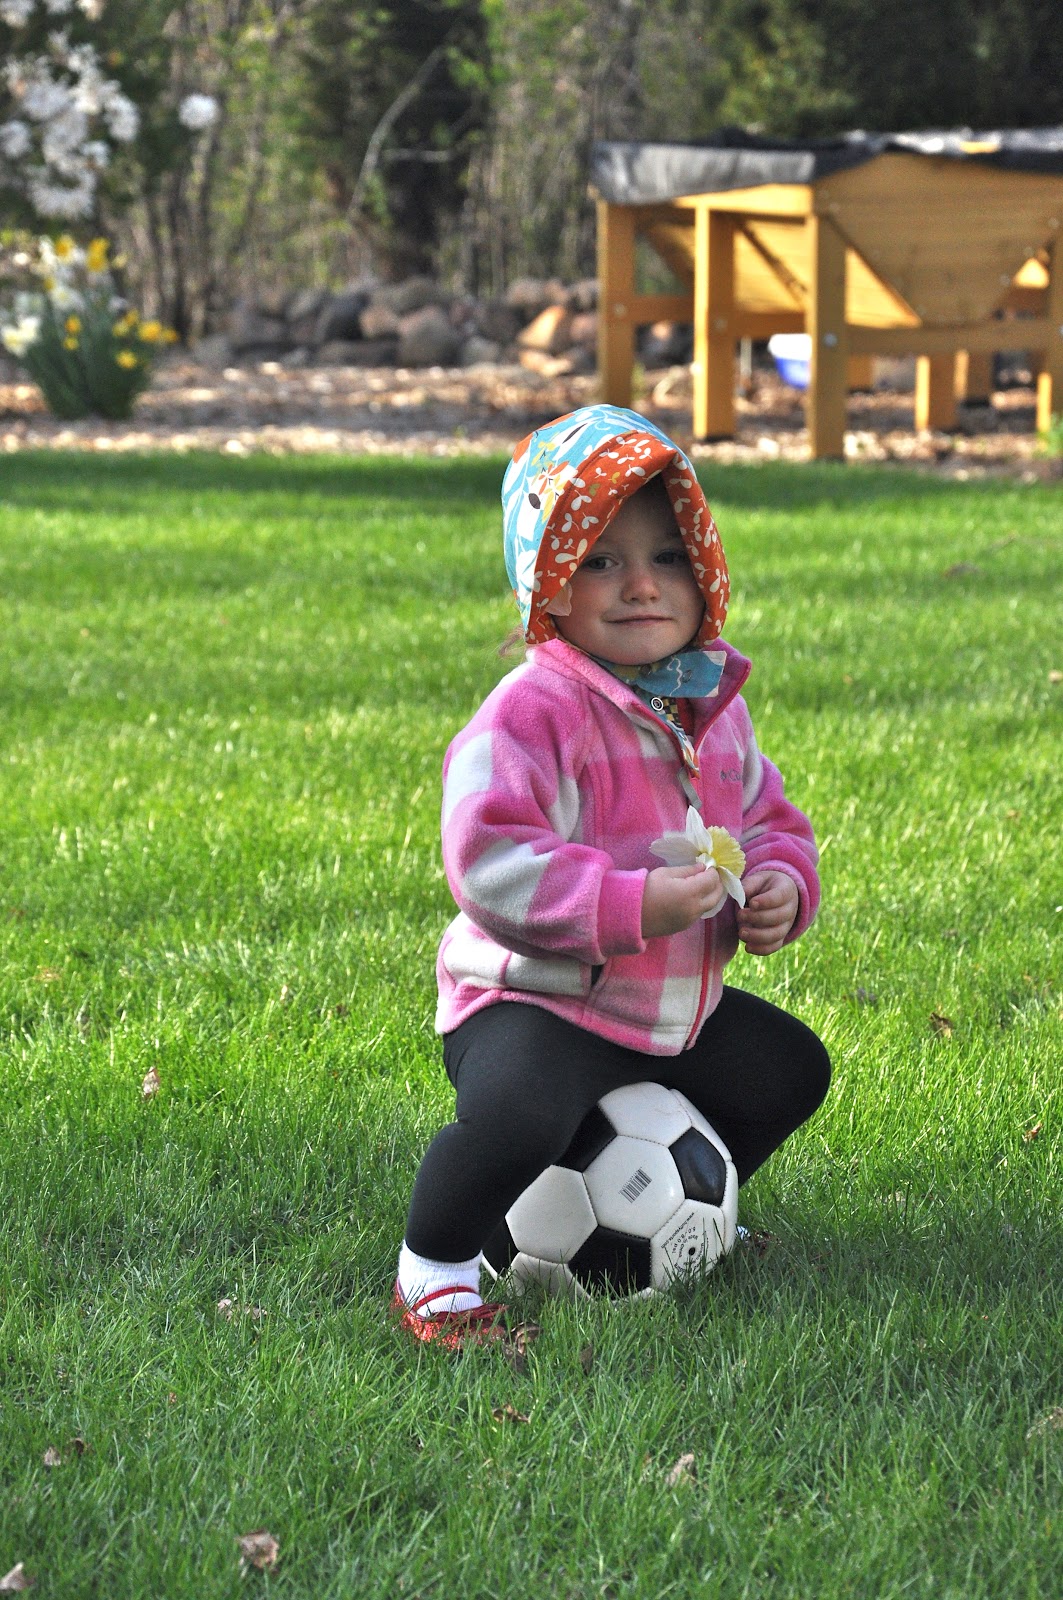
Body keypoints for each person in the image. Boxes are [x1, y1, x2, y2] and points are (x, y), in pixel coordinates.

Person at [393, 404, 830, 1347]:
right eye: (599, 561)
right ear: (546, 584)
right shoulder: (533, 710)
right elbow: (488, 858)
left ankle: (691, 1202)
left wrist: (780, 885)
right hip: (537, 1000)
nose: (640, 584)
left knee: (787, 1069)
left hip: (664, 1009)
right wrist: (627, 902)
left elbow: (765, 818)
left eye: (668, 556)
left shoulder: (710, 705)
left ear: (705, 570)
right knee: (518, 1115)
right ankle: (436, 1268)